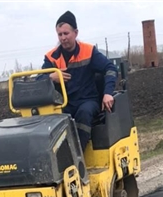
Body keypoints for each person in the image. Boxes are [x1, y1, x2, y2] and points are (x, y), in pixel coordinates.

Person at [39, 10, 118, 151]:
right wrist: (51, 77)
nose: (63, 38)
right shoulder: (51, 57)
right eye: (60, 34)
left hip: (88, 101)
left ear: (76, 32)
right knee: (52, 119)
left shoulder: (88, 51)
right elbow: (39, 79)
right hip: (64, 103)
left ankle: (77, 156)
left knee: (84, 113)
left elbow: (110, 68)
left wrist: (108, 93)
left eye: (66, 33)